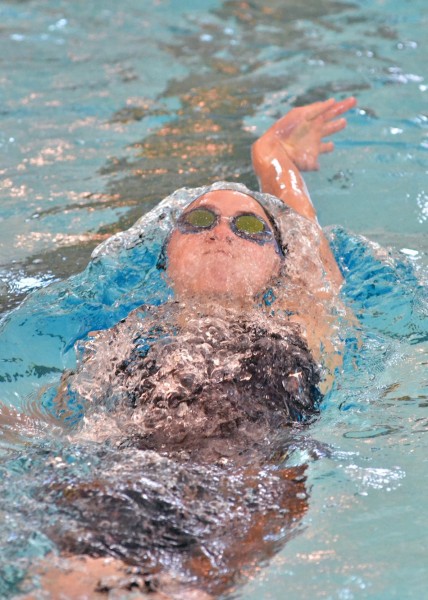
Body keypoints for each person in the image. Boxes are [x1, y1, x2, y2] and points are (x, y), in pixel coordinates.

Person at [18, 96, 356, 599]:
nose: (221, 233)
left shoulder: (295, 325)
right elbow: (61, 431)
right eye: (198, 222)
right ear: (167, 256)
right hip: (114, 487)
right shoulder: (123, 337)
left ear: (279, 265)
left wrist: (274, 160)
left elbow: (314, 261)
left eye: (248, 227)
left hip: (237, 497)